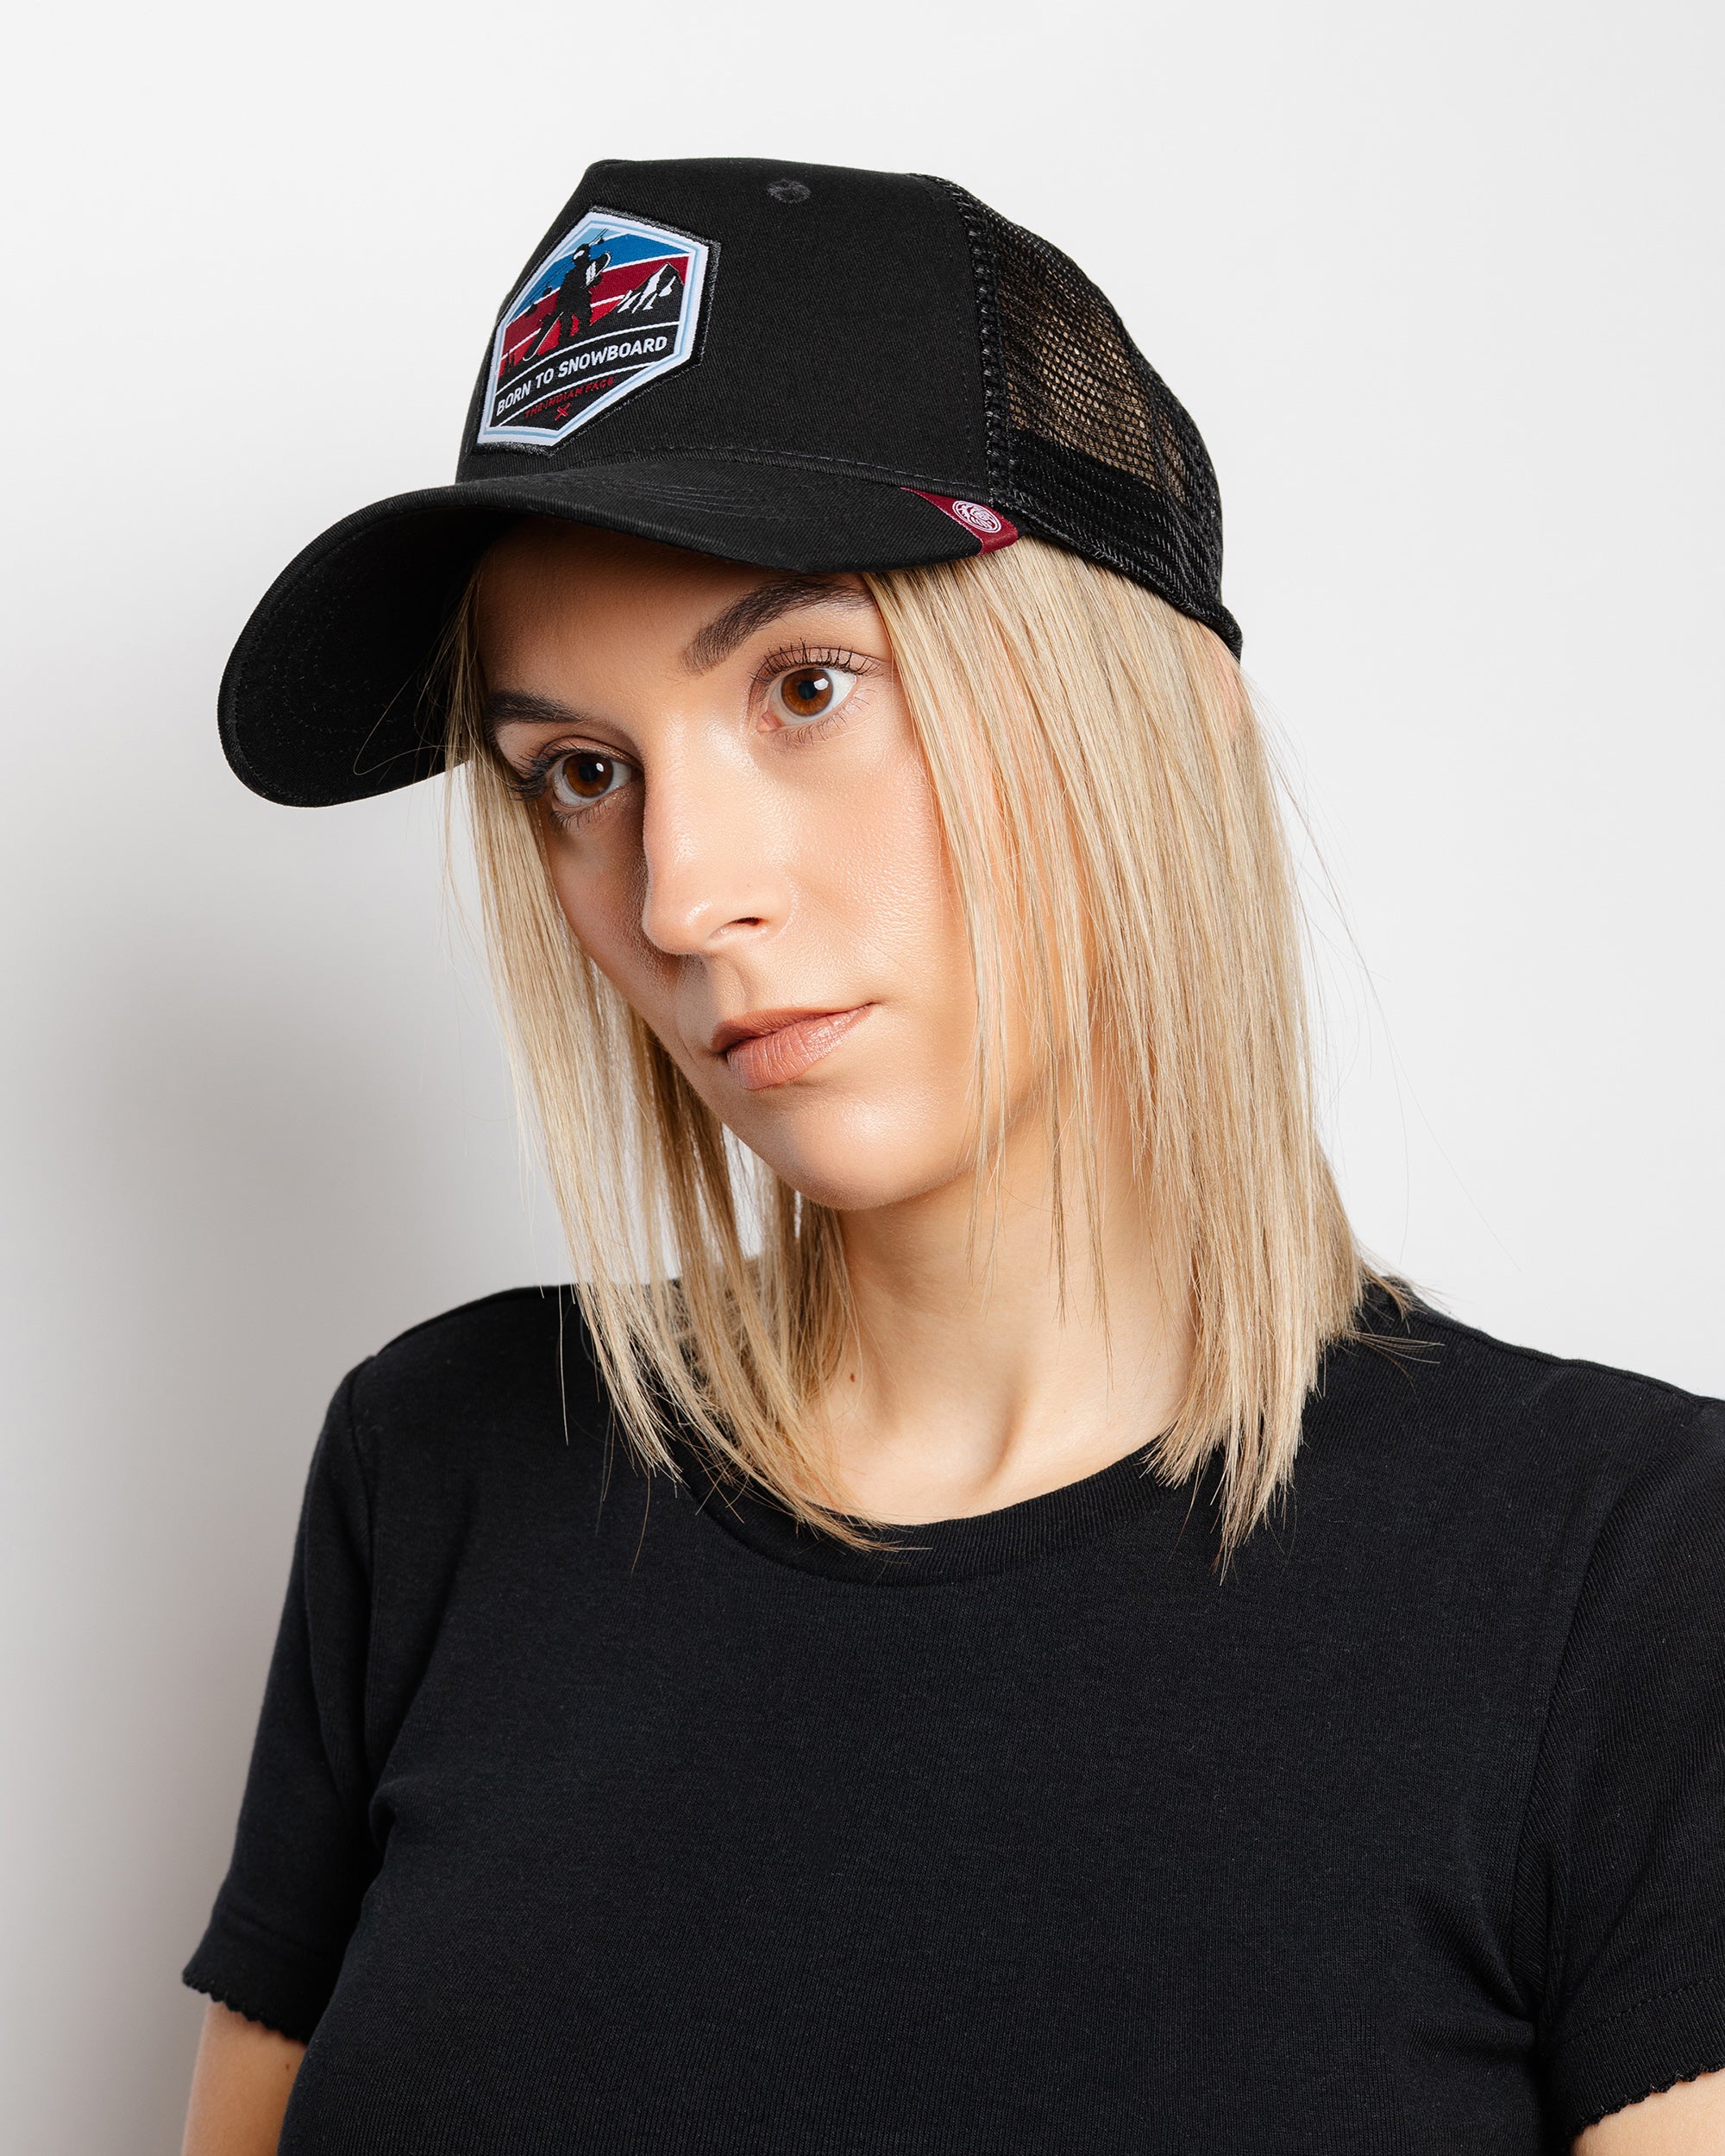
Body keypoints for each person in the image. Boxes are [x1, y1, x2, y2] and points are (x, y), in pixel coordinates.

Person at [179, 158, 1725, 2155]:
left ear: (1160, 713)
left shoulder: (1632, 1576)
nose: (681, 891)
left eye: (808, 685)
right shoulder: (445, 1464)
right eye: (580, 770)